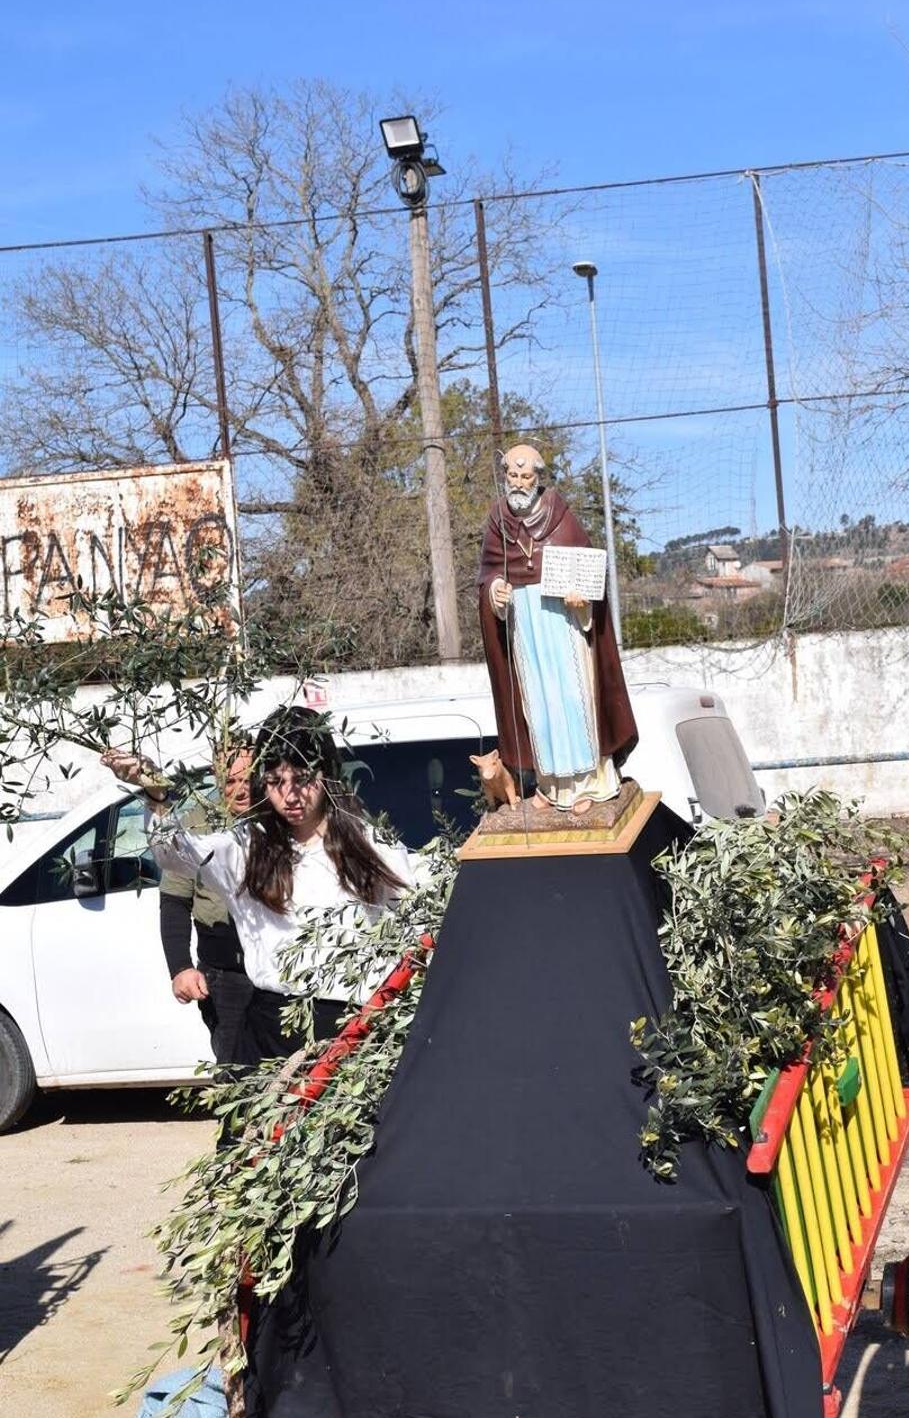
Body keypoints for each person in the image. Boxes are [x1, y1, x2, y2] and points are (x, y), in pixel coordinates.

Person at [102, 708, 419, 1061]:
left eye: (302, 778)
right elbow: (177, 855)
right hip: (272, 1030)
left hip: (355, 1030)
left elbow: (413, 930)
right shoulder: (247, 846)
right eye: (275, 781)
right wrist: (157, 797)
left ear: (326, 775)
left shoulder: (371, 845)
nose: (291, 795)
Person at [478, 443, 637, 814]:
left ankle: (590, 784)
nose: (517, 483)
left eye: (525, 476)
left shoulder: (561, 516)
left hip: (562, 626)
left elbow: (590, 575)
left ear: (538, 478)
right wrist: (494, 592)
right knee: (540, 703)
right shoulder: (498, 520)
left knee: (572, 699)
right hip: (524, 627)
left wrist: (582, 603)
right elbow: (487, 574)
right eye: (512, 476)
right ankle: (551, 785)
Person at [157, 744, 254, 1064]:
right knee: (236, 1074)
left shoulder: (281, 820)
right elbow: (174, 900)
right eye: (230, 781)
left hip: (279, 976)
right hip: (225, 976)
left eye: (249, 778)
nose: (241, 790)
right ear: (215, 777)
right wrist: (180, 967)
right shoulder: (196, 825)